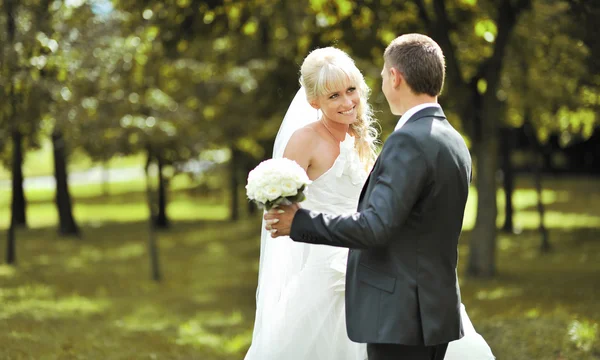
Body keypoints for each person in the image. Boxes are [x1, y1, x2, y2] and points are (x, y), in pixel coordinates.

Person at [264, 35, 495, 360]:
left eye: (351, 90)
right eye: (334, 95)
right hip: (363, 281)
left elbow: (377, 222)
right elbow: (283, 201)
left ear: (394, 78)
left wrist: (300, 222)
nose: (347, 101)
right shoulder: (452, 139)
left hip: (392, 291)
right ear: (315, 101)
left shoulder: (392, 141)